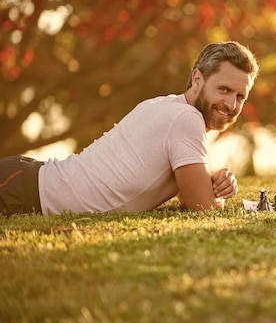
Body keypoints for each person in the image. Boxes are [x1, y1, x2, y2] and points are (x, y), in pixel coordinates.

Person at [0, 41, 259, 215]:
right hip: (20, 190)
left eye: (240, 96)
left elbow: (187, 191)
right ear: (198, 79)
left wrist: (212, 180)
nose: (231, 104)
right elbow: (204, 207)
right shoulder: (186, 119)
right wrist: (216, 193)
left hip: (22, 180)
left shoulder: (167, 106)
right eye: (224, 89)